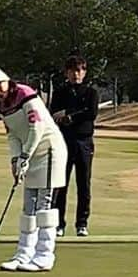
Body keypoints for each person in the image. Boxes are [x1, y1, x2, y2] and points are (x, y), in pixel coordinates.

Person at [0, 60, 67, 272]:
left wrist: (25, 155)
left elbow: (37, 127)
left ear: (5, 80)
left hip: (48, 151)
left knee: (43, 206)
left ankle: (44, 255)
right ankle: (24, 254)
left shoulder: (25, 94)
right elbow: (13, 136)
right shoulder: (3, 106)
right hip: (30, 155)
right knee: (29, 208)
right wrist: (16, 160)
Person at [50, 54, 99, 237]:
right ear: (67, 72)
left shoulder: (91, 92)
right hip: (64, 141)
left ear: (84, 72)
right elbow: (54, 113)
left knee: (83, 184)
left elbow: (91, 113)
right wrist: (64, 115)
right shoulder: (60, 92)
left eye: (79, 71)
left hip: (84, 142)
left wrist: (69, 114)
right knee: (60, 183)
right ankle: (59, 223)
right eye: (72, 71)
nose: (75, 74)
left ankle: (82, 223)